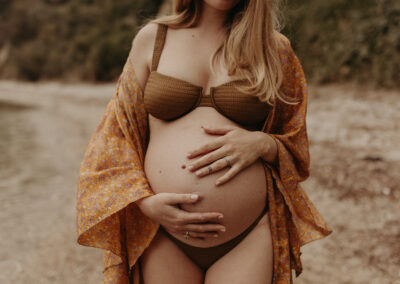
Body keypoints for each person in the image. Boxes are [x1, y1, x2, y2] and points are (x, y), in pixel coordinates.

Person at [76, 0, 332, 283]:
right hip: (162, 233)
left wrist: (262, 143)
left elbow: (295, 142)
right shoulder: (153, 39)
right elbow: (116, 137)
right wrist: (144, 204)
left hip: (249, 235)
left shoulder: (274, 49)